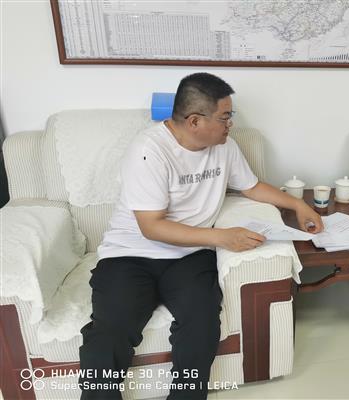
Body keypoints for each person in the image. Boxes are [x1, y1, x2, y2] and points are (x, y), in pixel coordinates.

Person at [79, 72, 324, 400]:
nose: (230, 124)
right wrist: (222, 237)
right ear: (195, 121)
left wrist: (297, 204)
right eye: (225, 117)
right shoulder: (149, 151)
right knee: (111, 330)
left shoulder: (225, 147)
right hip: (131, 254)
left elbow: (251, 186)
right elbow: (151, 227)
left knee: (202, 325)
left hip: (191, 254)